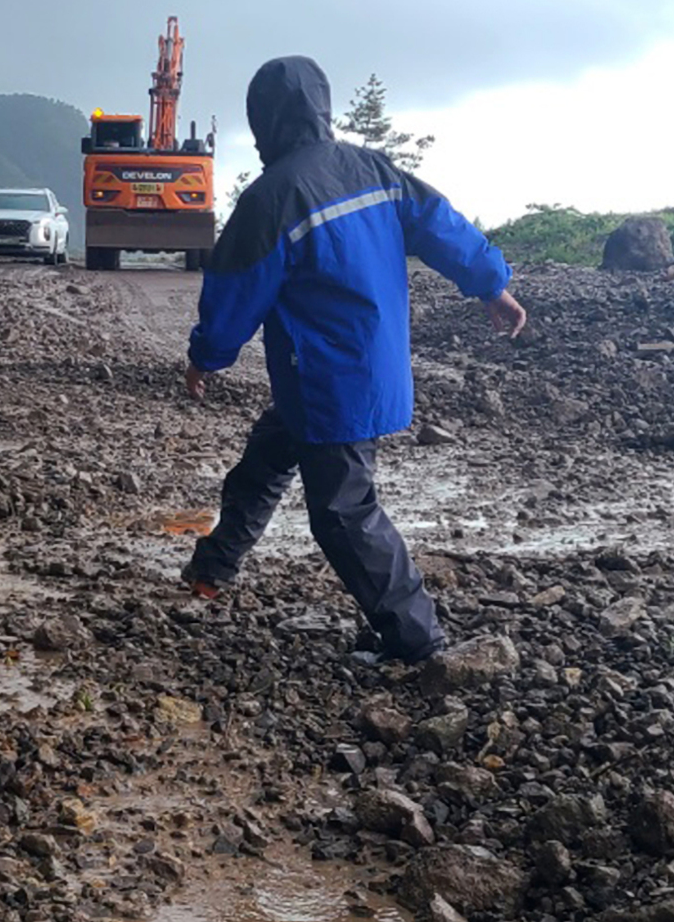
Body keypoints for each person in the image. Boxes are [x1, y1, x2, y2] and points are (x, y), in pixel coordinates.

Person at [182, 55, 525, 664]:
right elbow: (442, 226)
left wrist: (208, 356)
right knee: (264, 462)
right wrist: (491, 285)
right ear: (322, 107)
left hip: (326, 384)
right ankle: (213, 567)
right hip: (352, 373)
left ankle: (417, 642)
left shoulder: (272, 197)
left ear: (261, 121)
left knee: (343, 513)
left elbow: (235, 289)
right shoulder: (375, 169)